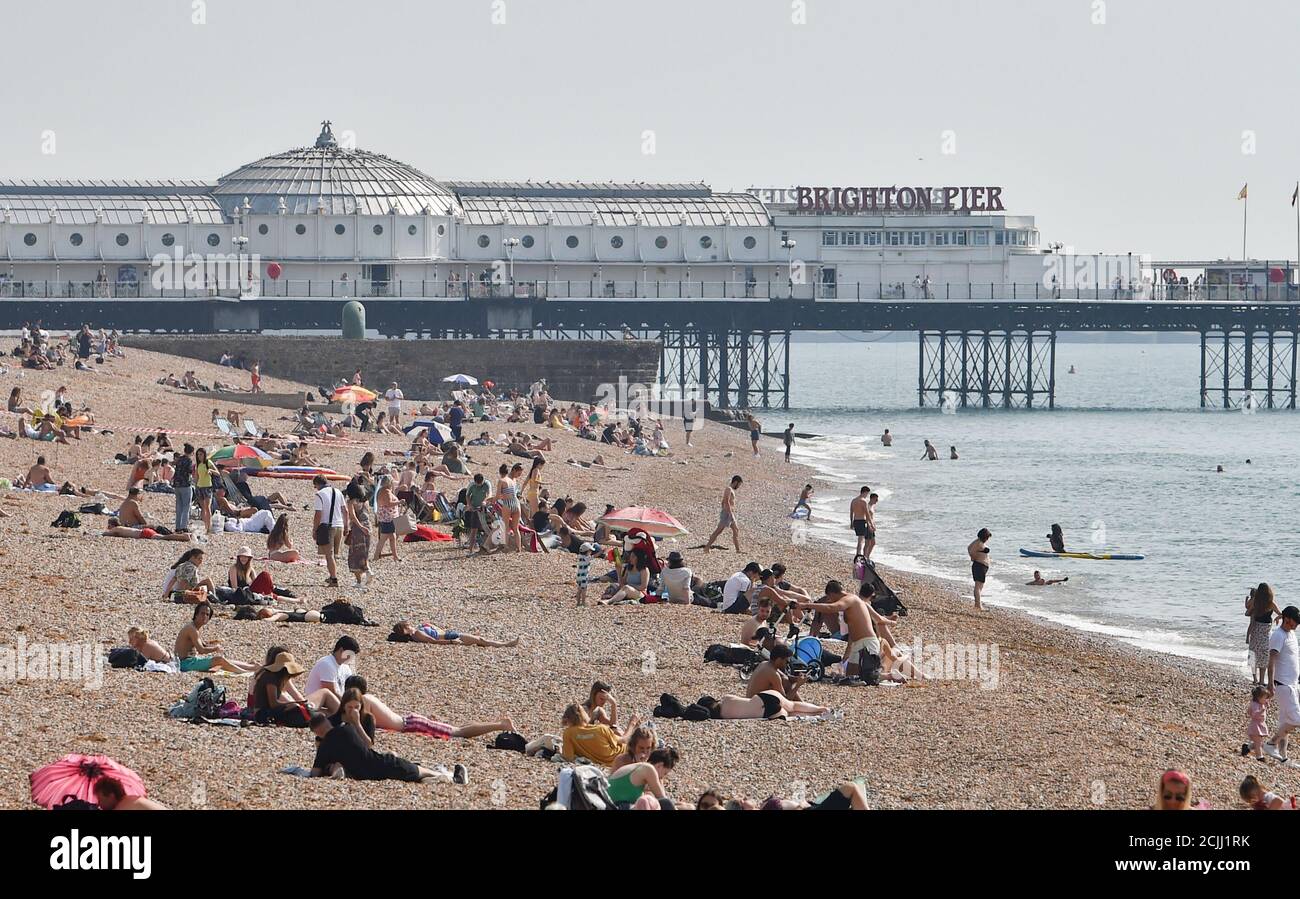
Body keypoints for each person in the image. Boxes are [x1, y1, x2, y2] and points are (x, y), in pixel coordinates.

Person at [795, 580, 920, 682]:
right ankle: (881, 673)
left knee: (868, 677)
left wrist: (807, 605)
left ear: (832, 594)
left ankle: (890, 675)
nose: (829, 600)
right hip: (856, 644)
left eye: (829, 597)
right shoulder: (856, 603)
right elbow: (856, 631)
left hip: (867, 642)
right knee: (849, 678)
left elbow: (832, 607)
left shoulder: (850, 599)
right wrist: (846, 656)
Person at [307, 713, 465, 784]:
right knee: (418, 771)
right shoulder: (347, 729)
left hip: (364, 773)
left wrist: (321, 752)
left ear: (317, 732)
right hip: (381, 765)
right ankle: (454, 779)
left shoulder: (325, 746)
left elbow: (314, 773)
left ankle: (443, 777)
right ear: (327, 722)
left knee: (416, 772)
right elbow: (367, 745)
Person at [251, 651, 340, 724]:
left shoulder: (273, 677)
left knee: (324, 710)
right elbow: (273, 703)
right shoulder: (271, 678)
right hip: (264, 714)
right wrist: (293, 704)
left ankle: (341, 717)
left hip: (269, 713)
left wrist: (296, 703)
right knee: (324, 693)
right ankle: (344, 716)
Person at [174, 602, 256, 673]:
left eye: (207, 614)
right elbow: (201, 650)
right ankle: (244, 672)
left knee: (224, 660)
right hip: (185, 664)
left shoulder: (195, 627)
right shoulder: (192, 629)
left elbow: (202, 644)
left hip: (190, 661)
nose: (205, 617)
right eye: (202, 613)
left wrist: (212, 644)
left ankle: (250, 667)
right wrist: (216, 648)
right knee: (219, 660)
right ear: (196, 615)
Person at [1263, 606, 1300, 766]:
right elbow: (1271, 661)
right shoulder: (1278, 635)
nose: (1296, 626)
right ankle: (1271, 744)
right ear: (1287, 618)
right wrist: (1270, 683)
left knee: (1285, 721)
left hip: (1292, 683)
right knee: (1296, 719)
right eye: (1295, 622)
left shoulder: (1291, 634)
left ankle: (1283, 758)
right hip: (1283, 685)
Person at [560, 704, 640, 766]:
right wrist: (632, 723)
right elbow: (624, 740)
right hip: (621, 755)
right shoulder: (601, 729)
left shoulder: (568, 733)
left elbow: (569, 757)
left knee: (616, 731)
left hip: (603, 761)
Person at [608, 748, 680, 810]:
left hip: (612, 803)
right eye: (665, 773)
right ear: (659, 765)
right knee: (666, 804)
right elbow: (663, 799)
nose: (662, 777)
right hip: (617, 806)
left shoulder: (640, 768)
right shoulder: (649, 769)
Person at [388, 620, 519, 648]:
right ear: (405, 629)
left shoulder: (416, 633)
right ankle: (505, 644)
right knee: (481, 640)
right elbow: (432, 641)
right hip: (451, 636)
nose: (410, 624)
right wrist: (451, 642)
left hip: (449, 634)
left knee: (479, 641)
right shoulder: (417, 634)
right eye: (407, 625)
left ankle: (504, 644)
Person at [312, 473, 345, 587]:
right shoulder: (338, 492)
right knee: (334, 554)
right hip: (339, 525)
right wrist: (347, 525)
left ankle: (333, 578)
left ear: (317, 484)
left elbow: (318, 514)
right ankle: (332, 574)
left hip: (327, 526)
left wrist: (314, 529)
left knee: (329, 555)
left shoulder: (319, 494)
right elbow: (345, 511)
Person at [305, 636, 360, 701]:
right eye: (349, 655)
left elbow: (351, 689)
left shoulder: (346, 668)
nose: (350, 658)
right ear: (341, 650)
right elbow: (330, 692)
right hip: (319, 704)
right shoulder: (326, 664)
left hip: (336, 703)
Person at [1247, 584, 1281, 686]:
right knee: (1264, 655)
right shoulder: (1271, 603)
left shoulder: (1255, 602)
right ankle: (1261, 680)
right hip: (1265, 632)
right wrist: (1277, 618)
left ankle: (1255, 679)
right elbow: (1281, 613)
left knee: (1253, 654)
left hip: (1256, 630)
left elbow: (1248, 612)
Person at [714, 690, 829, 721]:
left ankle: (817, 714)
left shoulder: (723, 716)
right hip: (762, 699)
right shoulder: (726, 698)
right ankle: (820, 709)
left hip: (766, 713)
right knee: (792, 705)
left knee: (790, 713)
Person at [703, 475, 743, 552]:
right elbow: (726, 501)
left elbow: (723, 502)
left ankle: (738, 550)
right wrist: (729, 512)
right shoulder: (728, 489)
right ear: (736, 482)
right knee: (718, 531)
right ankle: (707, 547)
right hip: (727, 513)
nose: (739, 486)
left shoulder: (730, 490)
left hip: (729, 513)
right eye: (739, 484)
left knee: (736, 530)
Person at [345, 477, 373, 586]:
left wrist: (360, 527)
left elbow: (352, 517)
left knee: (355, 555)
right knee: (364, 553)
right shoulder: (365, 501)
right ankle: (368, 571)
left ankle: (359, 581)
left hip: (359, 529)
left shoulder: (351, 502)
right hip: (368, 526)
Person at [372, 474, 401, 563]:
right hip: (387, 518)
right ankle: (376, 556)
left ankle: (395, 556)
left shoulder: (382, 490)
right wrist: (399, 502)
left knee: (392, 537)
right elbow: (388, 503)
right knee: (384, 538)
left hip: (386, 518)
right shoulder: (386, 492)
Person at [92, 778, 168, 811]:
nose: (99, 804)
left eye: (100, 799)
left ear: (111, 795)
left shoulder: (123, 806)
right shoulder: (131, 799)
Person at [1244, 685, 1271, 761]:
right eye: (1265, 698)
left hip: (1260, 724)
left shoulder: (1260, 704)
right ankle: (1259, 756)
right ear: (1259, 698)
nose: (1266, 699)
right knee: (1258, 742)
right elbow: (1254, 715)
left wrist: (1266, 707)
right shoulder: (1255, 705)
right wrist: (1262, 710)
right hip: (1256, 725)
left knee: (1259, 742)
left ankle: (1247, 747)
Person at [172, 443, 195, 533]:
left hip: (177, 484)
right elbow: (189, 471)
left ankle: (177, 526)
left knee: (179, 506)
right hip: (185, 484)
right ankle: (183, 526)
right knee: (186, 506)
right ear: (191, 452)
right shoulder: (188, 460)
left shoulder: (179, 459)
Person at [968, 528, 991, 611]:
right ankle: (978, 605)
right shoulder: (978, 543)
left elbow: (969, 548)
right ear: (984, 537)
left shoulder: (978, 542)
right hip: (979, 565)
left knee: (979, 586)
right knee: (978, 586)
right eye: (987, 537)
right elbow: (970, 550)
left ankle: (977, 604)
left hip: (980, 565)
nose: (987, 539)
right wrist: (973, 558)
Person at [849, 486, 872, 558]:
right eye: (867, 494)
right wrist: (871, 524)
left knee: (860, 539)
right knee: (861, 540)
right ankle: (858, 555)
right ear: (865, 492)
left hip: (856, 521)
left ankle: (858, 554)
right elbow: (867, 514)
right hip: (862, 521)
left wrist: (851, 522)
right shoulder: (863, 501)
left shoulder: (853, 500)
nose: (867, 495)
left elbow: (851, 512)